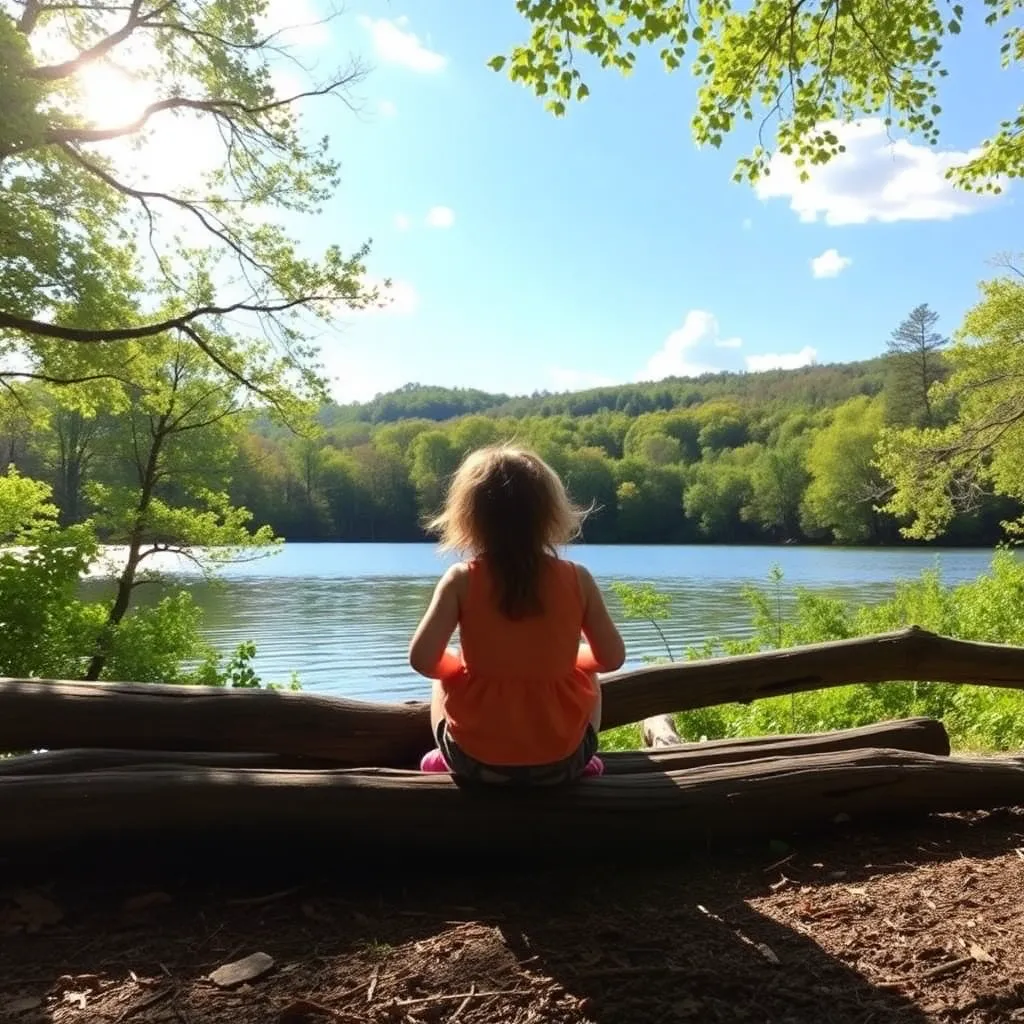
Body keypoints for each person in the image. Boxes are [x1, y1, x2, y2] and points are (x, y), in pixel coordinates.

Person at [409, 445, 626, 785]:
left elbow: (423, 660)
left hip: (476, 764)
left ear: (468, 517)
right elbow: (611, 658)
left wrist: (459, 669)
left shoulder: (462, 579)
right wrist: (569, 660)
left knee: (443, 675)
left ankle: (442, 758)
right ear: (551, 515)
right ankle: (586, 757)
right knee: (588, 675)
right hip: (561, 766)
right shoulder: (577, 578)